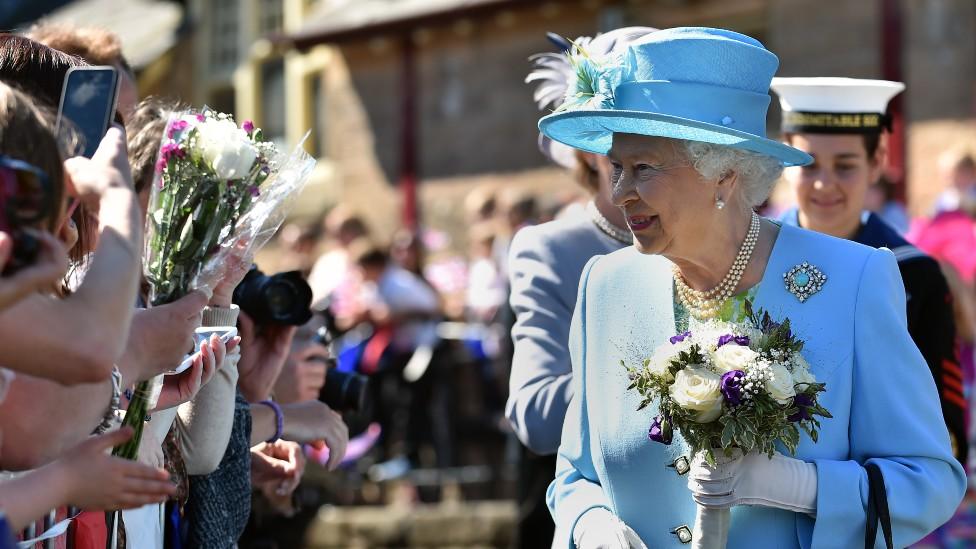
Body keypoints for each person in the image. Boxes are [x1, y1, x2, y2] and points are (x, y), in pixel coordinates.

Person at [538, 27, 964, 547]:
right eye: (616, 167)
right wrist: (594, 530)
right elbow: (575, 476)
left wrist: (803, 488)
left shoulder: (855, 280)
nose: (620, 193)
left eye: (643, 168)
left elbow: (931, 480)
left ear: (724, 174)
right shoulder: (604, 284)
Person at [506, 27, 654, 549]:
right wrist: (672, 370)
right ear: (588, 145)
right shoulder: (553, 249)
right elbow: (537, 415)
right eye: (618, 134)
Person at [772, 77, 968, 464]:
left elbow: (941, 415)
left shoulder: (913, 271)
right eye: (809, 165)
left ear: (876, 162)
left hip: (871, 489)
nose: (825, 184)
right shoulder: (753, 252)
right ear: (785, 159)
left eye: (845, 166)